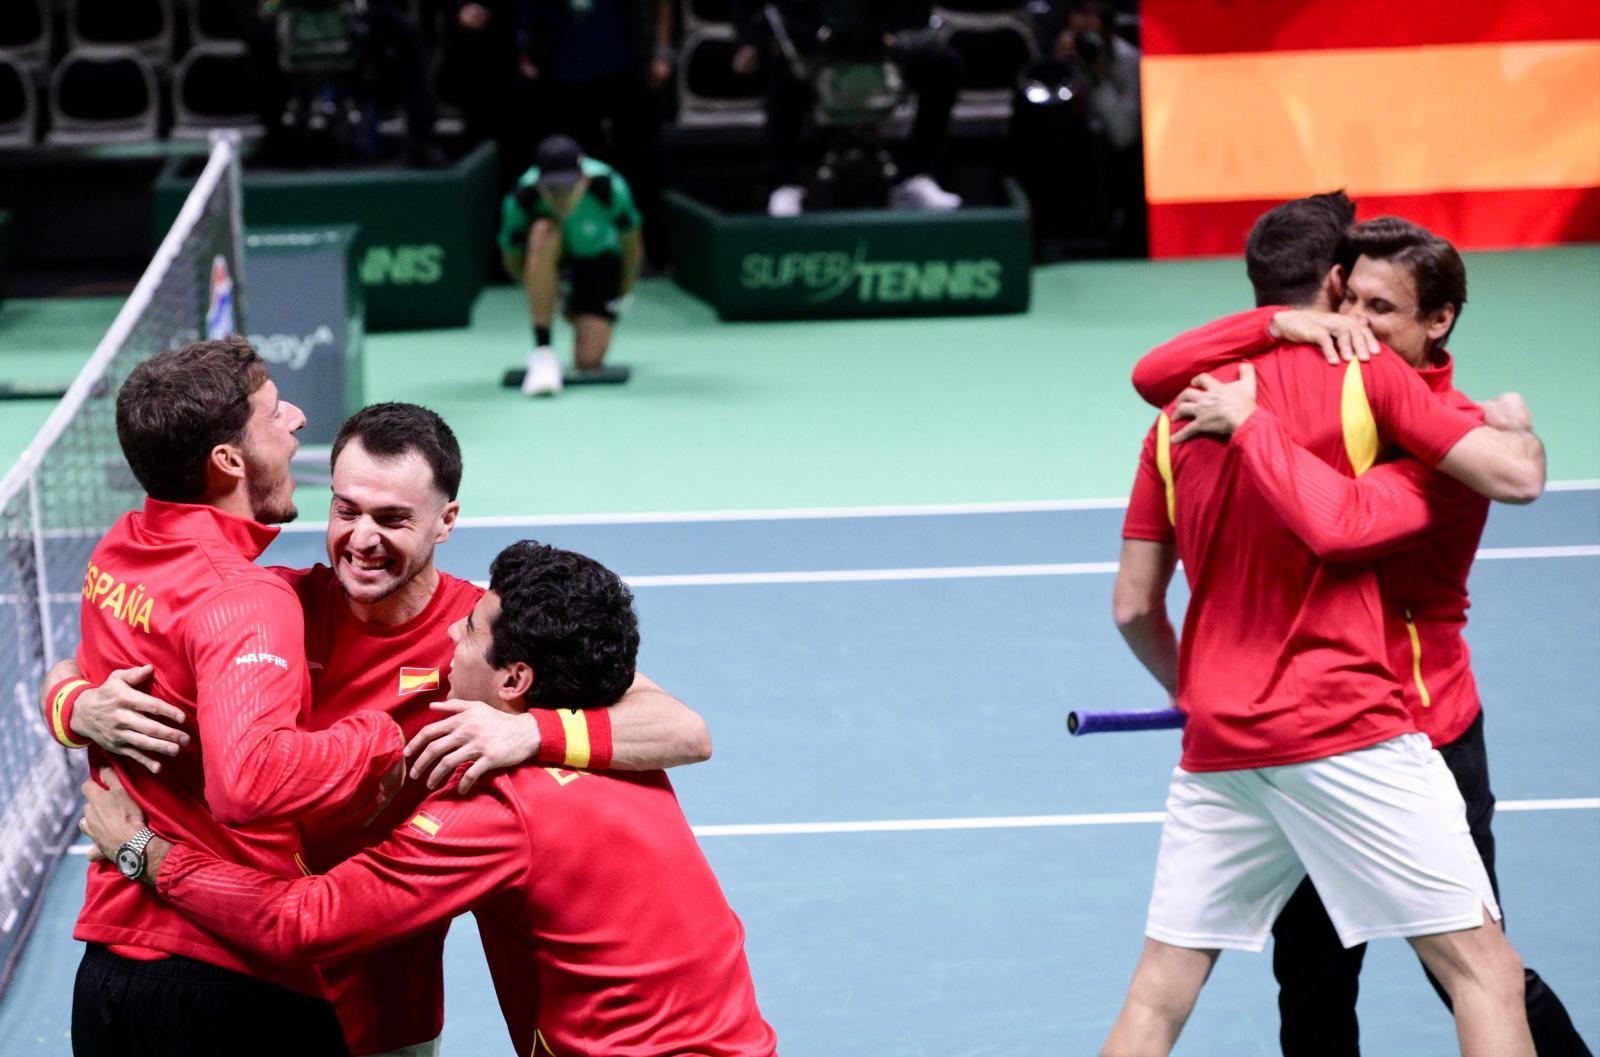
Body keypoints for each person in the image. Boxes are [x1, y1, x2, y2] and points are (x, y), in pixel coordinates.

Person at [49, 401, 714, 1057]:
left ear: (446, 521)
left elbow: (682, 729)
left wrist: (531, 733)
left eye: (392, 518)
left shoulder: (483, 644)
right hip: (243, 972)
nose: (362, 539)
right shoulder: (266, 608)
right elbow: (87, 662)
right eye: (346, 510)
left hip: (385, 1002)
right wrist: (75, 705)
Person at [1129, 217, 1591, 1056]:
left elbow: (1383, 511)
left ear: (1437, 321)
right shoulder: (1324, 382)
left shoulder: (1447, 431)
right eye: (1351, 301)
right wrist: (1279, 323)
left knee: (1478, 971)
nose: (1358, 324)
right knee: (1312, 978)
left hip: (1418, 725)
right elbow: (1154, 373)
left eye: (1382, 308)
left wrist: (1517, 427)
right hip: (1319, 724)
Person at [79, 541, 779, 1057]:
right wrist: (72, 697)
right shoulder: (608, 736)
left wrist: (141, 849)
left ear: (514, 680)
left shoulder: (497, 809)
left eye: (469, 630)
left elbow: (304, 920)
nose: (450, 632)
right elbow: (680, 727)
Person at [46, 338, 408, 1057]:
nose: (297, 419)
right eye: (274, 413)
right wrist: (378, 737)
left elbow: (75, 669)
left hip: (111, 975)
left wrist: (68, 702)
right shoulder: (244, 597)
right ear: (229, 461)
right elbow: (248, 784)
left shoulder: (120, 549)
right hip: (231, 983)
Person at [731, 0, 963, 216]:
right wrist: (750, 41)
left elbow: (917, 13)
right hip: (810, 44)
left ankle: (917, 176)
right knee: (783, 71)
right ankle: (781, 183)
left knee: (942, 64)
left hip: (882, 43)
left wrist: (895, 30)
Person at [498, 134, 642, 396]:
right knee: (543, 230)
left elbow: (632, 247)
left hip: (599, 261)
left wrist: (623, 293)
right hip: (554, 261)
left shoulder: (608, 188)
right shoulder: (522, 197)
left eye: (568, 188)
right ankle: (543, 352)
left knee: (588, 361)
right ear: (539, 184)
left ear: (583, 180)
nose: (560, 197)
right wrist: (550, 292)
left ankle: (586, 313)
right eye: (552, 189)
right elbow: (511, 260)